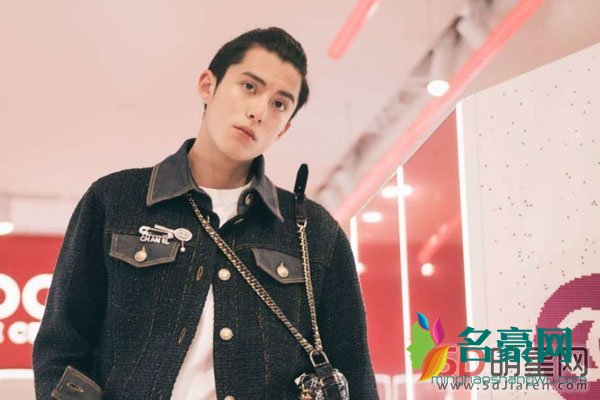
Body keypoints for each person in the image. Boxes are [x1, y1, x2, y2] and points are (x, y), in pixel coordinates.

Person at [33, 27, 378, 399]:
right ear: (207, 85)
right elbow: (61, 345)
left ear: (285, 129)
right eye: (249, 86)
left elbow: (354, 372)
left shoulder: (315, 232)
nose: (259, 111)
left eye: (279, 104)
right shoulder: (115, 201)